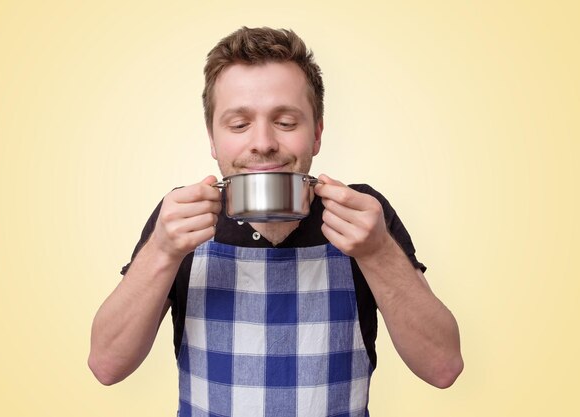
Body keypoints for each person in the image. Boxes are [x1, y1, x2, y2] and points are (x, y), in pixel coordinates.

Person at [88, 26, 463, 416]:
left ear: (316, 134)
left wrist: (379, 253)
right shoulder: (180, 219)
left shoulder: (363, 216)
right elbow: (107, 365)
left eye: (285, 122)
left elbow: (443, 367)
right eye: (238, 124)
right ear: (213, 139)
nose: (263, 142)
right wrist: (163, 252)